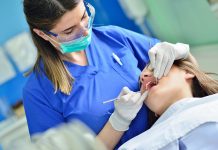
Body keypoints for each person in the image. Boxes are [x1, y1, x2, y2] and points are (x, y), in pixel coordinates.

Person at [22, 0, 189, 149]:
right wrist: (117, 123)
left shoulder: (113, 37)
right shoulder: (38, 91)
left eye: (83, 17)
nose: (86, 32)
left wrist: (180, 51)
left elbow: (189, 74)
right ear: (42, 34)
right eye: (69, 31)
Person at [118, 54, 218, 150]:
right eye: (140, 83)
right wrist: (119, 120)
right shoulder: (131, 146)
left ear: (187, 72)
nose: (143, 76)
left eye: (154, 68)